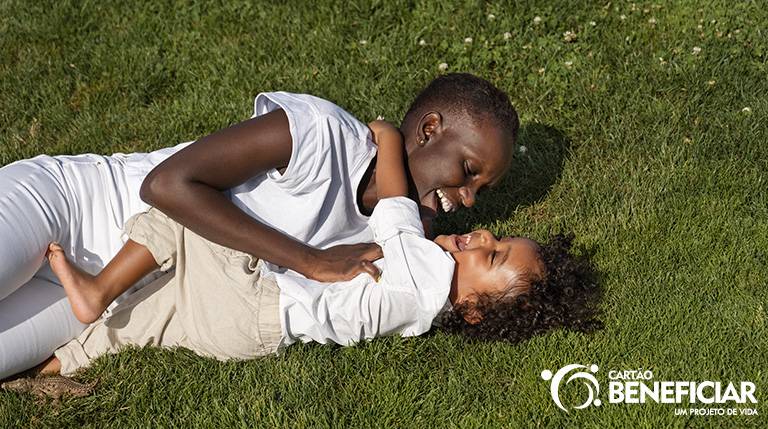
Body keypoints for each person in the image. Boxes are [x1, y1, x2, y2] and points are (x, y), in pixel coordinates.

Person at [0, 73, 521, 379]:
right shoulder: (322, 135)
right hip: (64, 206)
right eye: (468, 172)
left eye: (481, 190)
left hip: (97, 306)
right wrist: (310, 260)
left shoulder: (397, 238)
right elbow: (167, 185)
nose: (468, 199)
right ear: (430, 131)